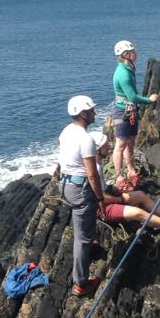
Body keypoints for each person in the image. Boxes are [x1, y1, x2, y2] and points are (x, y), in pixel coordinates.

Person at [92, 131, 160, 233]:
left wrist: (119, 188)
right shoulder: (94, 169)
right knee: (138, 213)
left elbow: (104, 189)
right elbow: (99, 198)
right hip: (101, 209)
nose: (109, 147)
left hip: (105, 199)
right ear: (97, 150)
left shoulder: (97, 165)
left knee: (140, 195)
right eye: (105, 145)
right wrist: (121, 199)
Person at [58, 95, 105, 297]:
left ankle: (88, 242)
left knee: (83, 226)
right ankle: (81, 283)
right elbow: (92, 173)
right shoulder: (86, 139)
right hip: (81, 188)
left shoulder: (66, 132)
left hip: (65, 184)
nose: (95, 113)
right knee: (82, 239)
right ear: (83, 114)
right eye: (92, 111)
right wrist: (101, 199)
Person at [112, 40, 158, 191]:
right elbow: (132, 97)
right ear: (126, 55)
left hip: (129, 111)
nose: (135, 53)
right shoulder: (123, 74)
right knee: (120, 145)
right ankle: (119, 177)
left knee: (130, 142)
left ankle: (131, 171)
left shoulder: (128, 68)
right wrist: (149, 100)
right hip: (122, 112)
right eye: (132, 51)